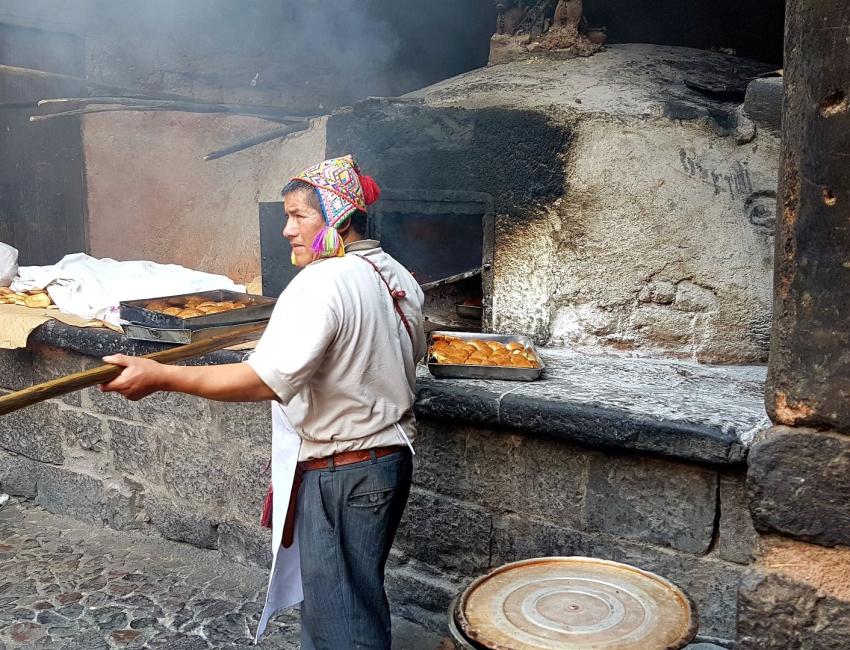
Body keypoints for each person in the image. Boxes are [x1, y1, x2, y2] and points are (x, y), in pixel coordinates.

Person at [100, 154, 426, 649]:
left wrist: (161, 375)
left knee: (342, 620)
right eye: (287, 216)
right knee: (351, 598)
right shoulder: (396, 274)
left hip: (344, 472)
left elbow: (265, 381)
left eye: (299, 216)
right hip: (388, 463)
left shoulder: (322, 281)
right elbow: (399, 354)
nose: (287, 230)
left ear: (337, 217)